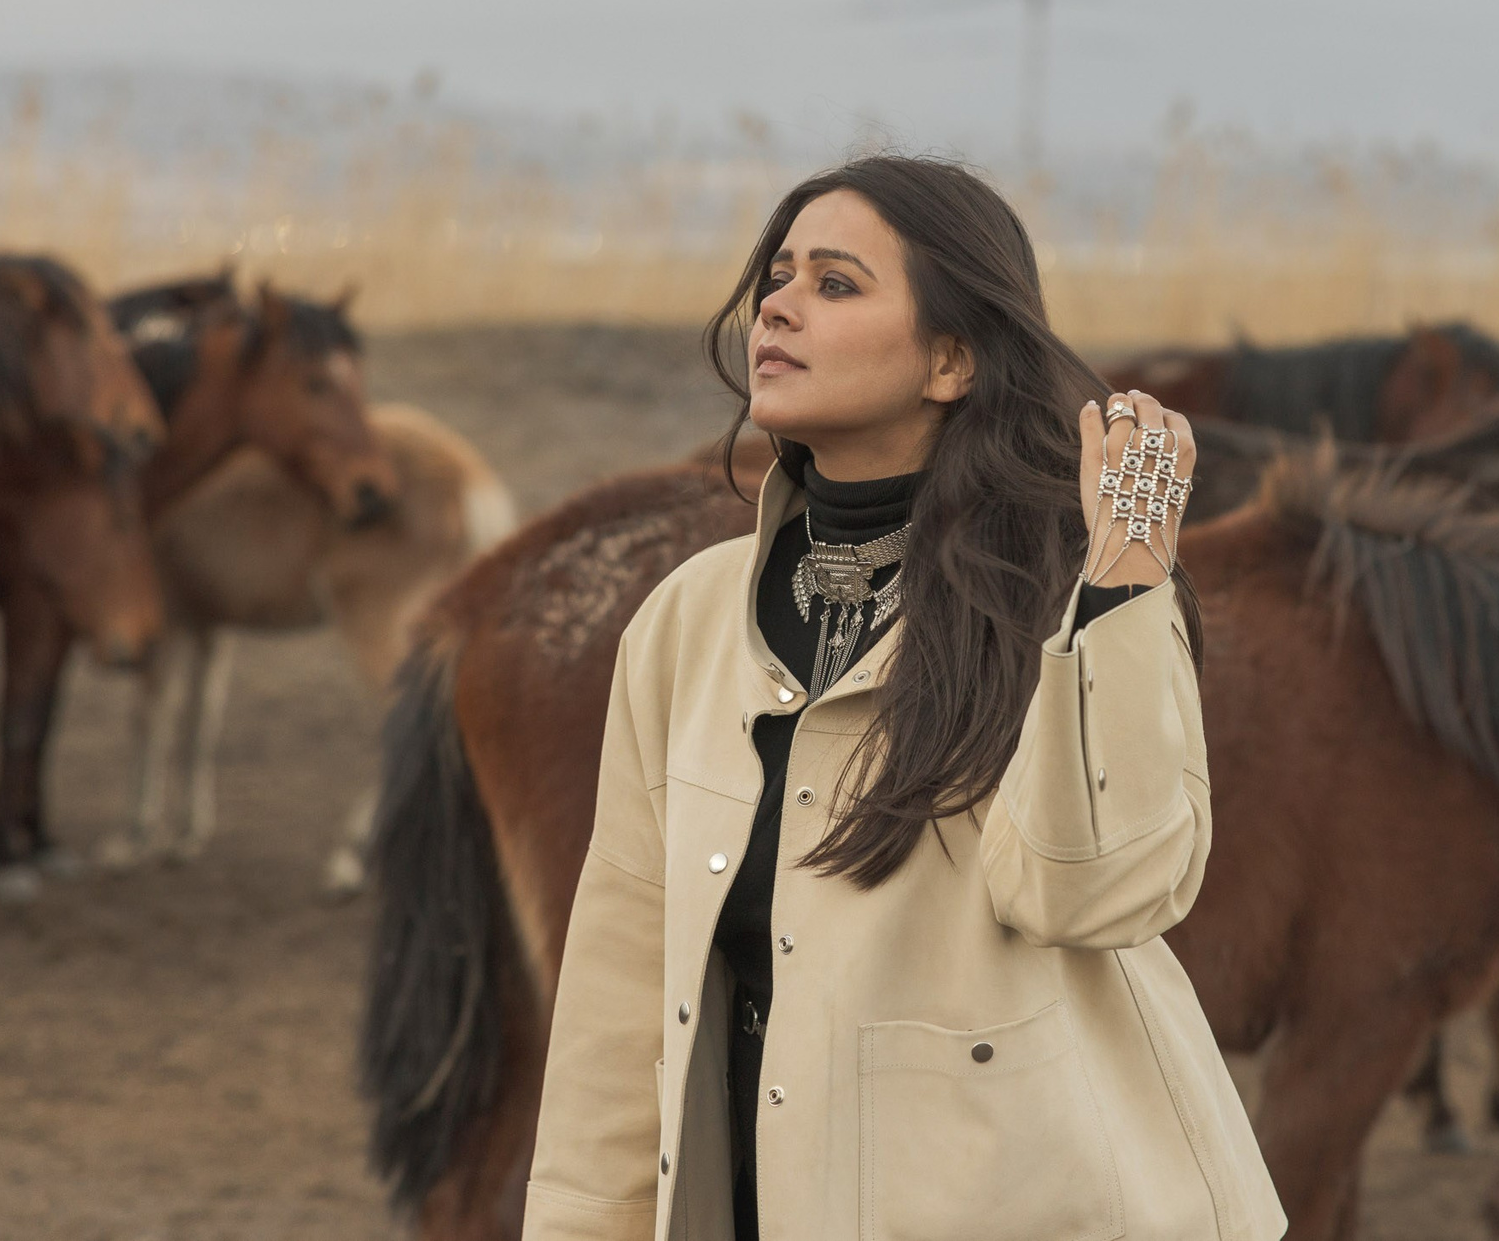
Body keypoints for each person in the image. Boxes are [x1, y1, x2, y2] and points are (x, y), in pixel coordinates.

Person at [522, 155, 1283, 1240]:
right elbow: (620, 978)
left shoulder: (1058, 605)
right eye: (776, 276)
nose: (775, 304)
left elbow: (1102, 891)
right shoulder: (686, 620)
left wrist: (1124, 576)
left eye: (835, 284)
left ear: (952, 359)